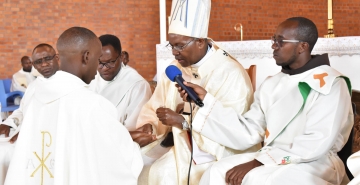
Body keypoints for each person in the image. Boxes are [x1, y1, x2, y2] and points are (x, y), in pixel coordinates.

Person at [177, 17, 354, 185]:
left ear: (302, 46)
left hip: (317, 162)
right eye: (273, 39)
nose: (273, 46)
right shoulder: (272, 83)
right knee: (216, 172)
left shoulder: (332, 84)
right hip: (270, 157)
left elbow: (317, 142)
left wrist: (258, 163)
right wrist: (205, 101)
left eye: (280, 41)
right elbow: (248, 130)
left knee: (260, 180)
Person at [136, 0, 256, 184]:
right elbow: (154, 106)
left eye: (180, 45)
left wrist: (183, 123)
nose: (174, 52)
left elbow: (236, 132)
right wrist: (150, 126)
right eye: (171, 45)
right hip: (173, 143)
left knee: (162, 172)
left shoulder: (229, 73)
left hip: (210, 153)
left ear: (200, 42)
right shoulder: (174, 69)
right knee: (133, 162)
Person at [4, 27, 143, 185]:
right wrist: (135, 145)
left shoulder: (36, 95)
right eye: (98, 59)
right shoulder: (93, 104)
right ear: (86, 57)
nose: (98, 70)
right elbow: (118, 163)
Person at [0, 43, 60, 184]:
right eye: (38, 62)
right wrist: (8, 123)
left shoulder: (65, 85)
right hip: (22, 134)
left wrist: (29, 131)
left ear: (57, 58)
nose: (44, 64)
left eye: (48, 59)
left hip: (46, 141)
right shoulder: (34, 86)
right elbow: (21, 110)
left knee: (5, 154)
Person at [89, 34, 152, 131]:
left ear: (122, 57)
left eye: (111, 62)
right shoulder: (90, 78)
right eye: (100, 63)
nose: (105, 68)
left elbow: (134, 129)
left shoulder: (138, 85)